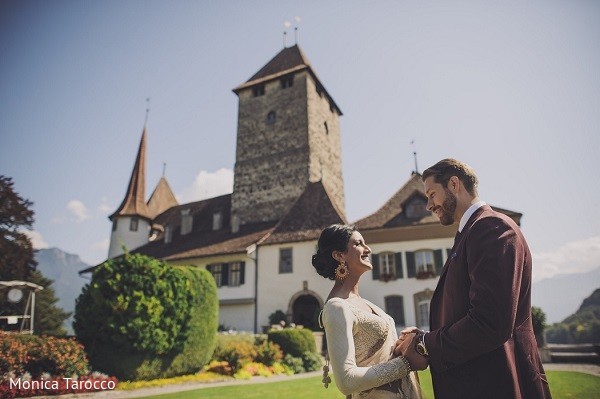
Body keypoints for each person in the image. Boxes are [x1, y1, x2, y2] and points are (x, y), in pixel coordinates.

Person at [395, 159, 552, 399]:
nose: (428, 205)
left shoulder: (491, 228)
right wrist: (423, 335)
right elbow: (465, 311)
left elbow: (490, 322)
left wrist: (425, 344)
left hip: (497, 384)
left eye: (432, 194)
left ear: (454, 184)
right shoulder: (471, 232)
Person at [313, 224, 424, 399]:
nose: (368, 249)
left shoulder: (367, 305)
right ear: (339, 255)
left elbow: (380, 356)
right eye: (359, 244)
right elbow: (346, 381)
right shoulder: (337, 307)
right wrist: (406, 364)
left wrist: (406, 343)